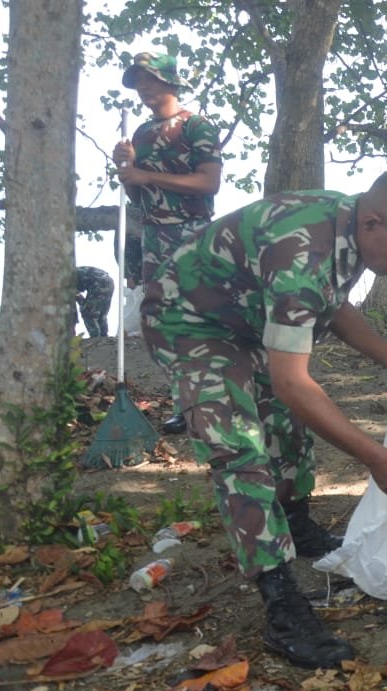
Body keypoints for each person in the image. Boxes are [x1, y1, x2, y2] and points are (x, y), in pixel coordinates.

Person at [140, 169, 387, 668]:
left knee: (286, 424)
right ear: (373, 222)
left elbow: (332, 303)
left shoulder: (349, 227)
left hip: (243, 319)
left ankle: (298, 525)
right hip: (186, 320)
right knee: (240, 449)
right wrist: (374, 455)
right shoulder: (302, 252)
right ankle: (282, 605)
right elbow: (292, 381)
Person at [114, 52, 223, 436]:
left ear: (169, 82)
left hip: (191, 231)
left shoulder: (196, 126)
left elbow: (209, 183)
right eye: (138, 81)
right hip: (153, 235)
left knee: (196, 317)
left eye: (149, 80)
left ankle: (210, 400)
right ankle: (183, 402)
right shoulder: (142, 134)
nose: (143, 88)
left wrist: (145, 176)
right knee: (157, 321)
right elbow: (136, 196)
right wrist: (126, 171)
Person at [75, 266, 114, 338]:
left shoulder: (65, 279)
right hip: (109, 281)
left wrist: (82, 304)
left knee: (88, 313)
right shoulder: (75, 272)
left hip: (98, 283)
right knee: (101, 313)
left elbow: (77, 296)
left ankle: (95, 338)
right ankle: (103, 336)